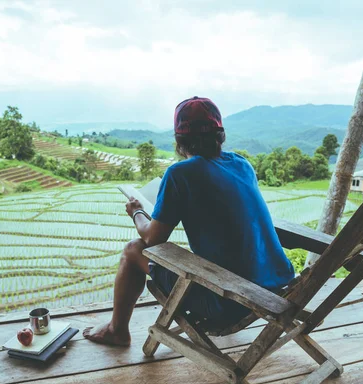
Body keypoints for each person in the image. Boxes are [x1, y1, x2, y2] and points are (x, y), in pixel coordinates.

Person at [83, 96, 294, 346]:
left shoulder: (180, 174)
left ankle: (117, 330)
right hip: (275, 288)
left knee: (132, 250)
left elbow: (152, 238)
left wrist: (137, 212)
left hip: (228, 300)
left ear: (179, 140)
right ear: (221, 134)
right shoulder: (242, 165)